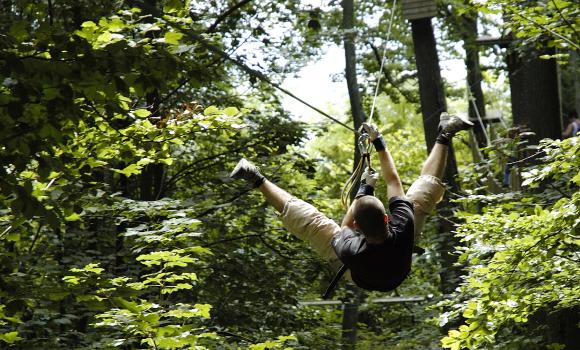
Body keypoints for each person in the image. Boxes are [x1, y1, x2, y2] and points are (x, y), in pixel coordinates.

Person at [230, 112, 473, 292]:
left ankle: (257, 178)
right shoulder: (403, 227)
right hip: (380, 267)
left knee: (313, 224)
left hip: (362, 270)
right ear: (387, 219)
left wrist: (365, 188)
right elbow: (392, 180)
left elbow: (344, 227)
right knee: (421, 195)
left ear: (358, 226)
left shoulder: (350, 248)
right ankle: (445, 133)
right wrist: (379, 142)